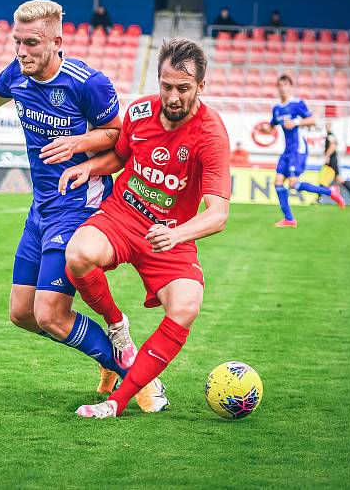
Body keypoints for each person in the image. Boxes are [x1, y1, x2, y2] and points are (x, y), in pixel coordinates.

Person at [0, 0, 165, 410]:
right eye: (17, 42)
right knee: (22, 313)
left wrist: (79, 143)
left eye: (31, 43)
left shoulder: (87, 83)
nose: (22, 52)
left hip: (79, 208)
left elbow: (118, 136)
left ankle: (140, 377)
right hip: (41, 209)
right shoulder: (17, 73)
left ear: (57, 41)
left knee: (52, 314)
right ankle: (108, 357)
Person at [58, 38, 231, 418]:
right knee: (79, 253)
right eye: (166, 86)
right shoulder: (138, 113)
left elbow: (218, 214)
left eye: (183, 88)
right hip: (122, 216)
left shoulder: (211, 134)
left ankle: (116, 402)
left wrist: (177, 233)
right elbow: (119, 158)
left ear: (201, 86)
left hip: (170, 235)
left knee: (186, 306)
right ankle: (117, 326)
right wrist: (90, 166)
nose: (173, 95)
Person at [257, 75, 344, 227]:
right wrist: (266, 129)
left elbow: (312, 120)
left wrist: (296, 121)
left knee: (293, 184)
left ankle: (331, 192)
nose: (283, 88)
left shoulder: (297, 104)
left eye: (285, 85)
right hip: (287, 150)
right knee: (278, 182)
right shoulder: (277, 109)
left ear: (291, 87)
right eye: (280, 85)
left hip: (298, 148)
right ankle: (289, 219)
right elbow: (272, 125)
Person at [318, 122, 350, 205]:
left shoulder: (330, 135)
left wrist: (327, 155)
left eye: (328, 125)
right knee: (337, 179)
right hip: (333, 160)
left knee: (323, 178)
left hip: (331, 161)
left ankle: (319, 198)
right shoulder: (330, 135)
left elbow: (333, 146)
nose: (326, 127)